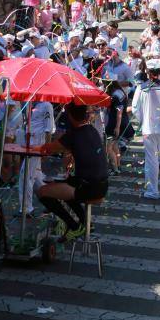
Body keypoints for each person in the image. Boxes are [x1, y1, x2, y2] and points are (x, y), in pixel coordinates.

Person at [35, 102, 109, 240]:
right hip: (102, 185)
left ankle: (74, 226)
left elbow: (47, 149)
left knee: (42, 191)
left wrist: (32, 146)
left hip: (88, 187)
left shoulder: (73, 135)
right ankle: (86, 222)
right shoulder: (92, 130)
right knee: (65, 183)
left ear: (69, 115)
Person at [131, 58, 160, 200]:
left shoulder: (142, 87)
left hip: (148, 129)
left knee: (151, 160)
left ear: (148, 71)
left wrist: (143, 120)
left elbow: (135, 108)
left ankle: (152, 191)